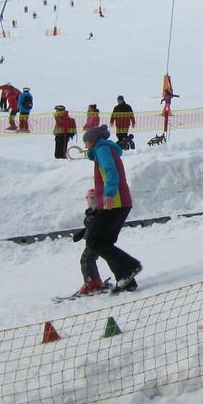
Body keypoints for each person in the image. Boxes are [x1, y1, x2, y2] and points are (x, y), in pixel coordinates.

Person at [75, 125, 142, 295]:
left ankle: (129, 267)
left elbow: (111, 173)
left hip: (115, 201)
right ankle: (127, 280)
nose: (85, 146)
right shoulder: (103, 150)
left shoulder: (102, 150)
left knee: (94, 241)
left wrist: (110, 194)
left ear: (92, 141)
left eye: (86, 142)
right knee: (104, 242)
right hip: (119, 201)